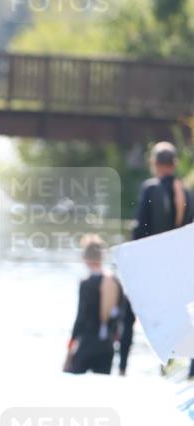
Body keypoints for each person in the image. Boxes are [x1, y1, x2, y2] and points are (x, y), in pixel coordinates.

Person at [119, 142, 194, 375]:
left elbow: (139, 229)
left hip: (151, 264)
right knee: (183, 317)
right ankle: (188, 371)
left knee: (130, 313)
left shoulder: (150, 189)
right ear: (174, 164)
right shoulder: (188, 194)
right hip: (177, 267)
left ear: (154, 164)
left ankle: (122, 367)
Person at [64, 235, 123, 375]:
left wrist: (69, 351)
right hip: (107, 347)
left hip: (87, 344)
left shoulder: (86, 283)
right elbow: (121, 316)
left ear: (85, 257)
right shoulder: (115, 282)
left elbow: (80, 319)